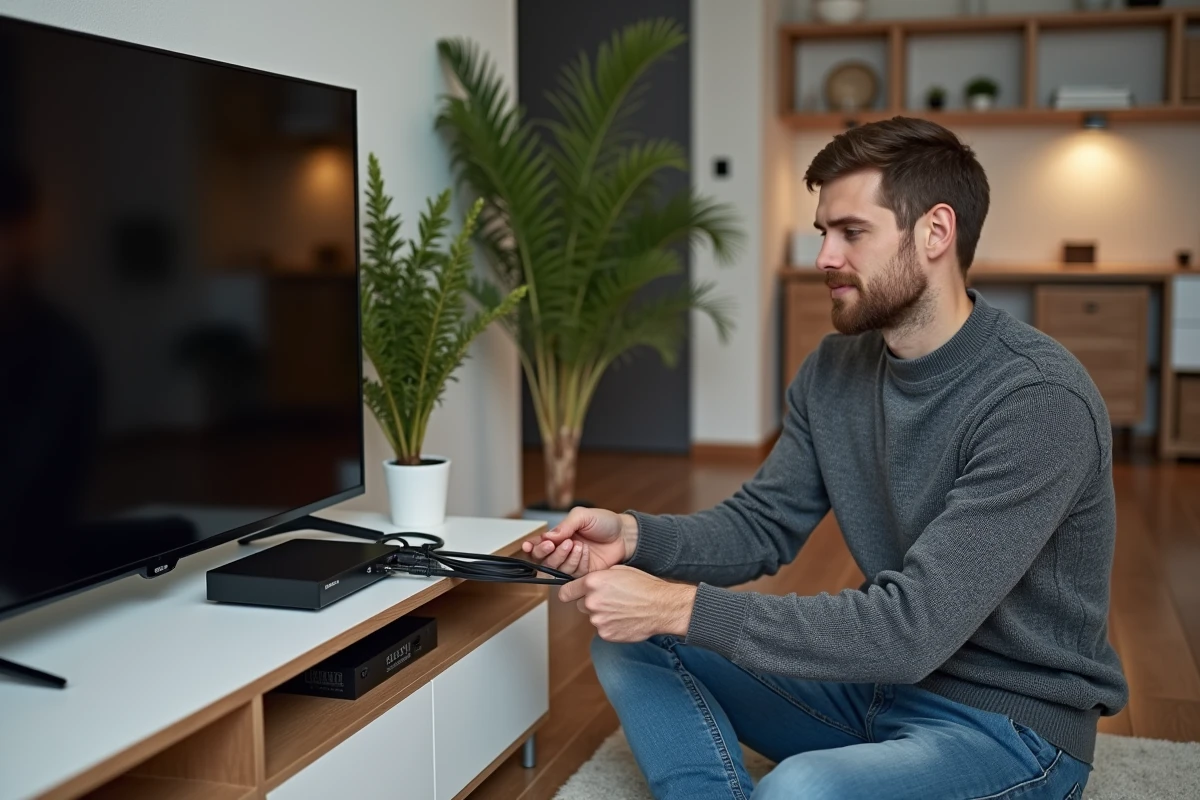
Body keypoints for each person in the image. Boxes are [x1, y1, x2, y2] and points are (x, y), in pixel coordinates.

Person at [521, 116, 1128, 799]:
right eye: (822, 233)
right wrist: (634, 536)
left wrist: (679, 605)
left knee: (803, 787)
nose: (824, 258)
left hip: (1009, 728)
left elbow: (911, 630)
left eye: (852, 232)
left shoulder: (1037, 400)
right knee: (628, 637)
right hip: (876, 689)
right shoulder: (834, 370)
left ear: (935, 232)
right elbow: (762, 524)